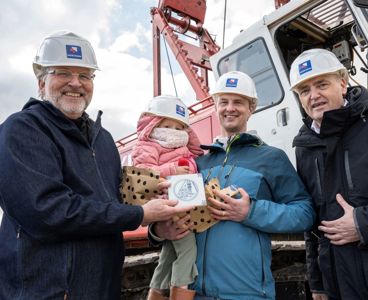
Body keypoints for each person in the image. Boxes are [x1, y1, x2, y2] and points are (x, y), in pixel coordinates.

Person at [0, 31, 190, 300]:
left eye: (85, 75)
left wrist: (158, 228)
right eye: (64, 73)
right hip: (47, 292)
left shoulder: (103, 140)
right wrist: (140, 215)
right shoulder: (22, 130)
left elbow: (115, 205)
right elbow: (48, 212)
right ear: (41, 82)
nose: (76, 83)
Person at [150, 71, 316, 299]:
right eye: (223, 102)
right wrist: (158, 231)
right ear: (215, 106)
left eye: (238, 101)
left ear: (251, 108)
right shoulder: (196, 162)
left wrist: (251, 212)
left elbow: (304, 212)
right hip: (192, 294)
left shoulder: (271, 158)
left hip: (245, 292)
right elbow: (166, 207)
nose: (230, 108)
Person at [291, 48, 368, 300]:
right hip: (340, 285)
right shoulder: (305, 148)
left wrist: (363, 223)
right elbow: (312, 222)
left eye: (321, 84)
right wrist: (317, 282)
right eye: (304, 91)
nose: (314, 96)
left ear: (342, 83)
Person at [131, 95, 203, 300]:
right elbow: (142, 172)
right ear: (152, 124)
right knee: (188, 251)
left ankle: (156, 294)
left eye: (179, 127)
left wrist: (188, 131)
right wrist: (170, 169)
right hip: (168, 206)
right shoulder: (147, 146)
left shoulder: (183, 146)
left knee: (169, 254)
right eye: (167, 125)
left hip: (181, 204)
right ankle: (180, 290)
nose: (174, 132)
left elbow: (198, 151)